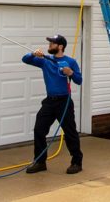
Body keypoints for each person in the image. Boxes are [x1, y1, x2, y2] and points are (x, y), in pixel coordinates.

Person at [22, 34, 83, 174]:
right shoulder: (45, 61)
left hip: (65, 102)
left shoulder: (70, 61)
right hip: (50, 101)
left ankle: (76, 162)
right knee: (39, 130)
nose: (49, 45)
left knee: (70, 133)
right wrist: (33, 53)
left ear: (60, 46)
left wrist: (71, 73)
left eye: (52, 43)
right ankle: (40, 162)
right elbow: (25, 60)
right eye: (49, 43)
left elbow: (79, 80)